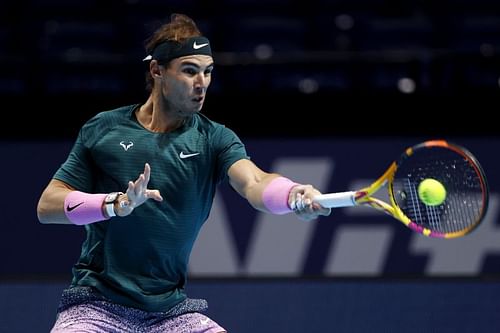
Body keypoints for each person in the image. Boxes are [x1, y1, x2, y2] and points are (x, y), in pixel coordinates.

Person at [37, 13, 331, 333]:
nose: (201, 83)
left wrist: (292, 194)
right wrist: (113, 204)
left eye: (208, 72)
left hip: (170, 312)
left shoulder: (214, 139)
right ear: (157, 70)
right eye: (190, 71)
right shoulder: (103, 129)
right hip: (95, 306)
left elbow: (256, 182)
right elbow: (48, 206)